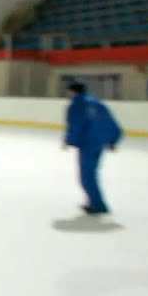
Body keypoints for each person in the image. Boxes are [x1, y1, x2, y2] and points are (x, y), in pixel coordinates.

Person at [62, 80, 123, 215]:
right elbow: (110, 122)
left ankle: (98, 204)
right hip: (99, 142)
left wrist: (68, 140)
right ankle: (94, 202)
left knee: (87, 176)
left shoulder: (76, 104)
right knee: (92, 174)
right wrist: (113, 139)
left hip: (88, 143)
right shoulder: (98, 103)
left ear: (72, 91)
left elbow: (75, 124)